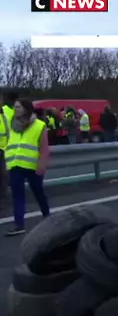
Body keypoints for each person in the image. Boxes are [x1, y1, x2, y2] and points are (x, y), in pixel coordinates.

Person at [5, 99, 50, 236]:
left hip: (32, 165)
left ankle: (47, 215)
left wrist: (41, 164)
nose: (15, 109)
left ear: (26, 109)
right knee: (17, 195)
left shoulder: (39, 125)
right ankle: (19, 224)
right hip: (15, 164)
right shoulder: (11, 124)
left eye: (18, 107)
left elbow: (44, 148)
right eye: (15, 107)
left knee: (38, 192)